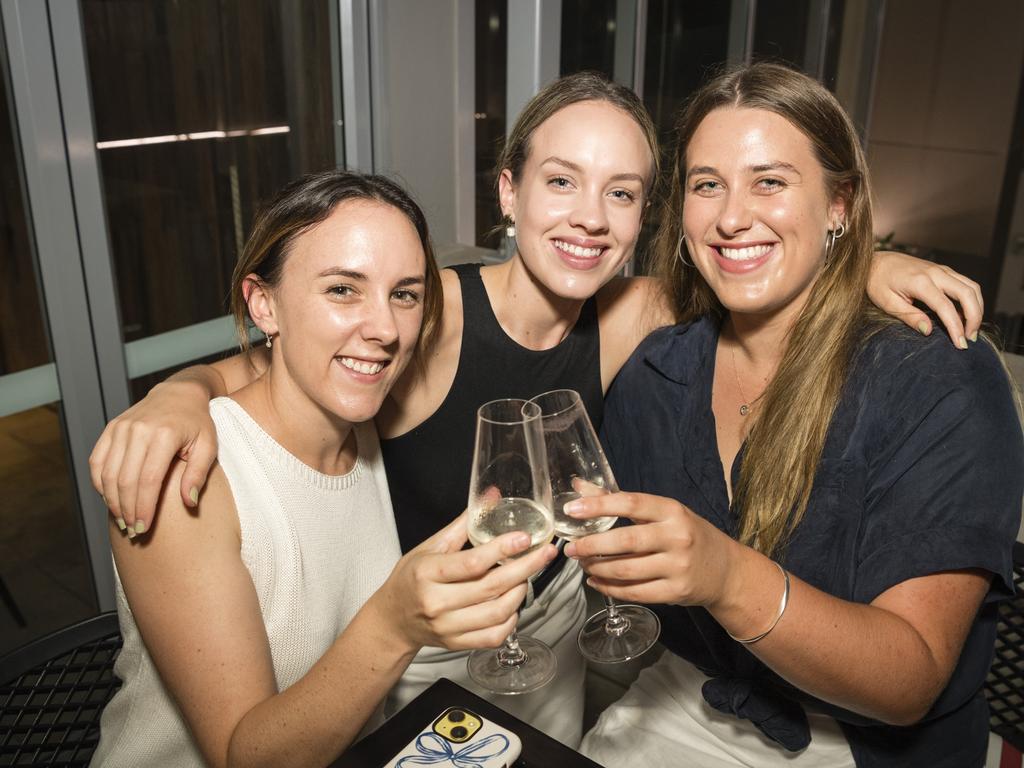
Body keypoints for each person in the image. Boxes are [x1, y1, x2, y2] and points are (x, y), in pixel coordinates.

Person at [89, 72, 986, 747]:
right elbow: (298, 351)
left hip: (546, 647)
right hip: (409, 660)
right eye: (561, 182)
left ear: (646, 218)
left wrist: (868, 263)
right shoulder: (420, 308)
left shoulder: (633, 314)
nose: (591, 218)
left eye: (624, 193)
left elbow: (754, 265)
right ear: (509, 194)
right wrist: (178, 397)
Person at [563, 63, 1022, 767]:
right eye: (706, 184)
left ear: (839, 204)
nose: (730, 215)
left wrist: (724, 575)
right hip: (685, 700)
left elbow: (909, 682)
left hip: (867, 745)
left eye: (770, 181)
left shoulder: (936, 376)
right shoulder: (656, 373)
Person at [90, 170, 556, 768]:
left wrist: (182, 386)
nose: (384, 329)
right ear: (264, 304)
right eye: (342, 289)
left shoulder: (366, 414)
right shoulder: (190, 477)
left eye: (405, 294)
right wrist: (393, 625)